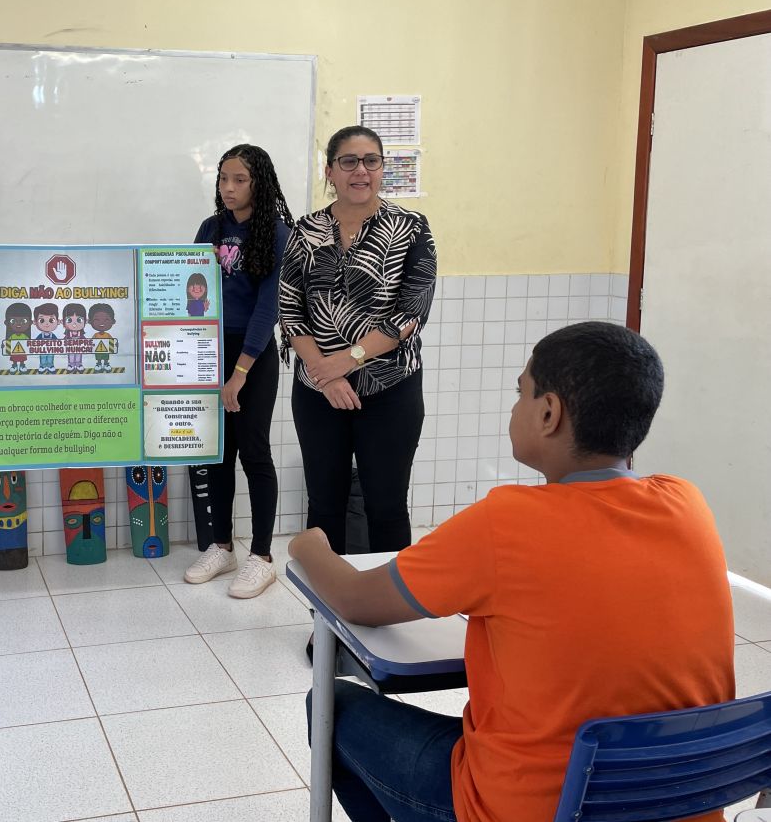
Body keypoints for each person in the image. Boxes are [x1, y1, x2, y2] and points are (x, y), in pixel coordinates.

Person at [289, 322, 736, 822]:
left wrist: (310, 546)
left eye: (520, 392)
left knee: (332, 704)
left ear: (549, 414)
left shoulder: (506, 522)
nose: (515, 406)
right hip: (678, 802)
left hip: (532, 808)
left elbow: (354, 599)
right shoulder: (687, 503)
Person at [279, 125, 436, 560]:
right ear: (330, 171)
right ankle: (326, 604)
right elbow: (290, 311)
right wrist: (326, 374)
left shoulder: (411, 228)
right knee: (323, 506)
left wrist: (348, 360)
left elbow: (410, 314)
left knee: (386, 506)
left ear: (383, 169)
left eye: (371, 161)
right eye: (348, 161)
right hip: (318, 391)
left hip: (391, 389)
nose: (360, 171)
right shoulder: (305, 231)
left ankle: (387, 602)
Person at [182, 144, 294, 598]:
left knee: (254, 452)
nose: (228, 188)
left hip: (253, 355)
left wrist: (240, 371)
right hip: (209, 350)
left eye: (239, 180)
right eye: (223, 179)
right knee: (217, 452)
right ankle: (222, 546)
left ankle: (262, 557)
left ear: (258, 183)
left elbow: (269, 307)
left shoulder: (278, 233)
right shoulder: (211, 228)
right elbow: (189, 290)